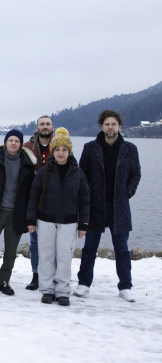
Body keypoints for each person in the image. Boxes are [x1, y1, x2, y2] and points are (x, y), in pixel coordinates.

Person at [74, 110, 141, 302]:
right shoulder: (90, 148)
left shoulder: (130, 149)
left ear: (120, 126)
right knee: (90, 247)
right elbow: (82, 174)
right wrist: (86, 196)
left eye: (113, 124)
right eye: (106, 124)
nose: (110, 127)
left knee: (122, 248)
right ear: (101, 127)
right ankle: (84, 283)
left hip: (119, 205)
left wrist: (127, 193)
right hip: (95, 205)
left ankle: (125, 286)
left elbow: (135, 174)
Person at [27, 128, 89, 306]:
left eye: (64, 149)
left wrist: (84, 223)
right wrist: (30, 220)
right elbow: (33, 196)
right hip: (45, 220)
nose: (60, 153)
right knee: (46, 256)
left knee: (64, 257)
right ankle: (47, 290)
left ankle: (62, 291)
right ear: (52, 152)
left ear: (69, 151)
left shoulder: (78, 173)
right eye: (57, 149)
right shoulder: (44, 172)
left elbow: (85, 199)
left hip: (69, 222)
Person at [0, 129, 36, 295]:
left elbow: (32, 190)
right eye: (11, 140)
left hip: (16, 213)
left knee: (11, 249)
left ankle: (4, 280)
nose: (13, 143)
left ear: (20, 144)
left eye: (17, 141)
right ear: (5, 142)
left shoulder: (27, 164)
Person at [22, 115, 54, 290]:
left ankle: (51, 275)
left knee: (52, 242)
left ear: (52, 127)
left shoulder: (60, 145)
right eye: (42, 124)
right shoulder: (27, 147)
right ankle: (36, 275)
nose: (45, 127)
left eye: (48, 124)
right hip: (33, 200)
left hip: (55, 201)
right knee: (35, 242)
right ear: (36, 127)